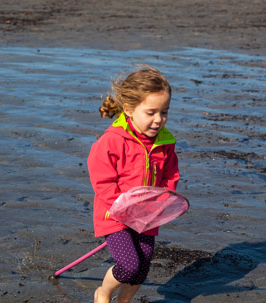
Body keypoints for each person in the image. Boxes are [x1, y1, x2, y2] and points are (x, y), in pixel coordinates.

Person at [87, 65, 180, 303]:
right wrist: (120, 206)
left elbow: (170, 175)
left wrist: (164, 199)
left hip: (147, 215)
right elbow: (102, 180)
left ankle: (123, 301)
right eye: (151, 112)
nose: (159, 120)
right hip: (114, 215)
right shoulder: (113, 140)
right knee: (129, 265)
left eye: (164, 112)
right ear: (129, 109)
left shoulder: (165, 143)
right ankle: (103, 294)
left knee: (143, 267)